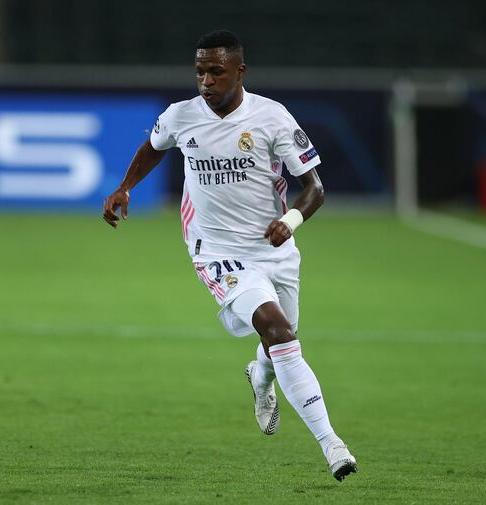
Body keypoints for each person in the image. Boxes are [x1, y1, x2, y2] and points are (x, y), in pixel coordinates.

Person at [102, 30, 357, 481]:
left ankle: (260, 377)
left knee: (281, 340)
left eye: (216, 71)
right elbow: (153, 148)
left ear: (240, 71)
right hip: (216, 251)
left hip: (275, 249)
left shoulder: (272, 118)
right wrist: (125, 187)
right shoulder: (181, 116)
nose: (206, 81)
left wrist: (290, 222)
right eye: (200, 71)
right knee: (276, 329)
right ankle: (332, 444)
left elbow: (315, 189)